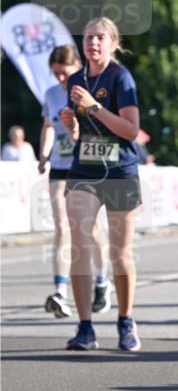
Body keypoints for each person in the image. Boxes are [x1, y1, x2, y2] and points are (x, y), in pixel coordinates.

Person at [61, 17, 143, 352]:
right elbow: (77, 132)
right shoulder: (75, 79)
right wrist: (71, 123)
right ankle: (85, 327)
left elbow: (131, 131)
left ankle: (125, 320)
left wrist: (93, 107)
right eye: (88, 37)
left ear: (113, 43)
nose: (93, 43)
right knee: (79, 245)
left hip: (120, 171)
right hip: (84, 170)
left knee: (119, 253)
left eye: (99, 37)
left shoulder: (121, 77)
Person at [38, 45, 110, 318]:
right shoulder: (51, 94)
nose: (60, 79)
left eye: (64, 73)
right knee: (61, 227)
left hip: (88, 167)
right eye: (55, 73)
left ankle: (101, 282)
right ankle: (60, 292)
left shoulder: (91, 90)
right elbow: (48, 126)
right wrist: (44, 154)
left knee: (92, 229)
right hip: (60, 167)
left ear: (77, 66)